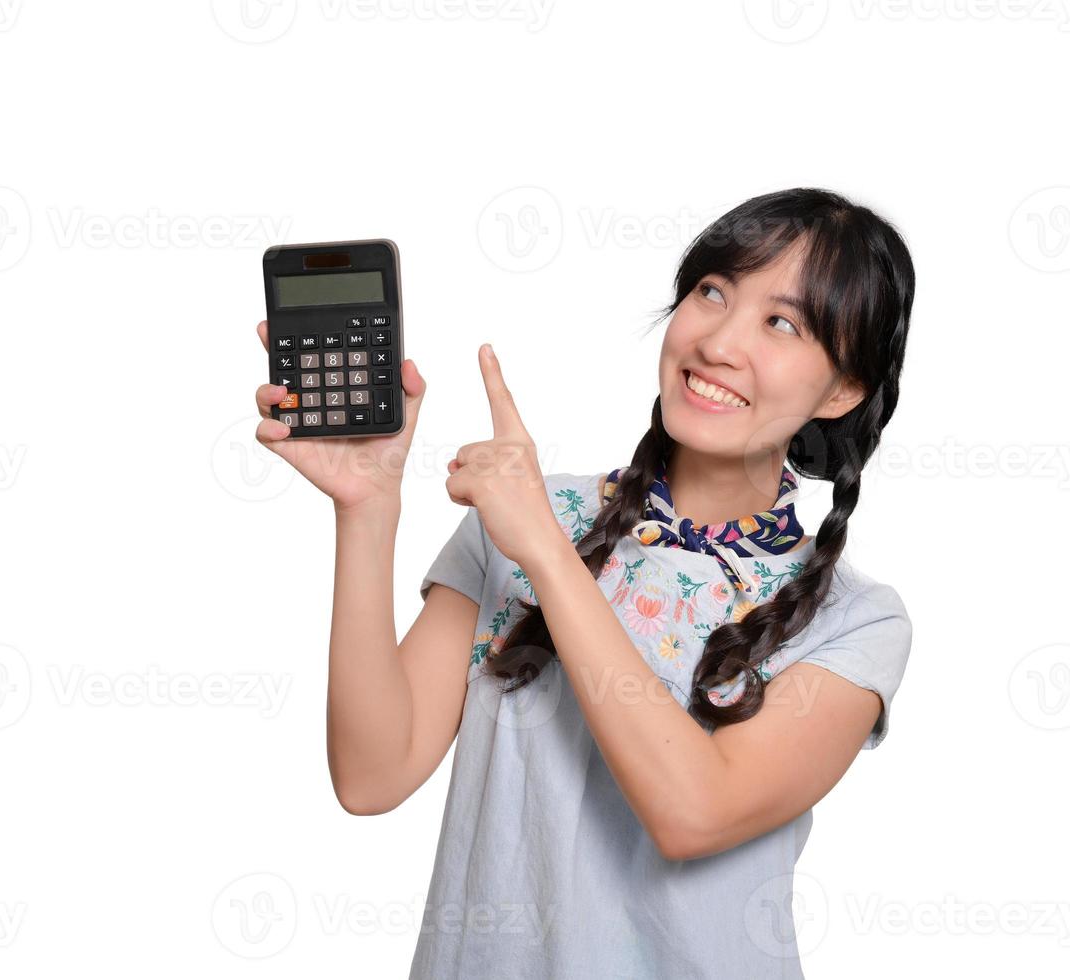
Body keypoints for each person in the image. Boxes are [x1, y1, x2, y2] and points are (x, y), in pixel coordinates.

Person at [252, 187, 917, 978]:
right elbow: (371, 775)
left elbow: (692, 812)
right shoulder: (529, 517)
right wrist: (368, 510)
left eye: (782, 323)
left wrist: (545, 551)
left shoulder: (857, 622)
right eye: (712, 292)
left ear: (843, 388)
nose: (719, 342)